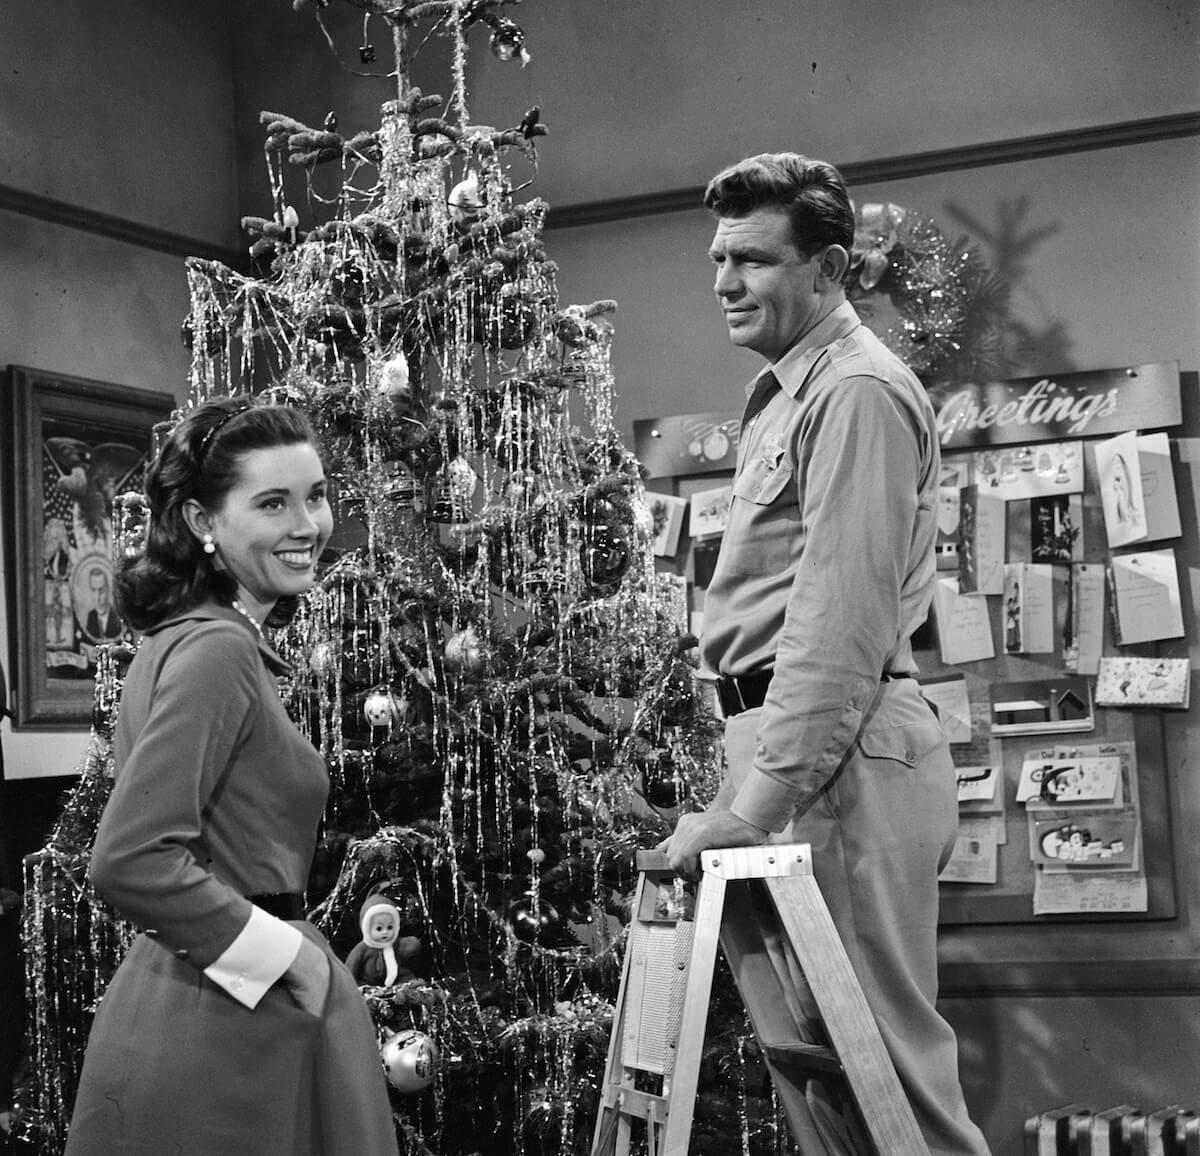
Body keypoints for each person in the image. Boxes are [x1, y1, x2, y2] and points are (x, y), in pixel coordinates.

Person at [659, 154, 990, 1155]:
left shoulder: (855, 393)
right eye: (718, 258)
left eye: (752, 260)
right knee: (824, 1081)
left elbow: (838, 629)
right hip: (784, 751)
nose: (724, 280)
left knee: (888, 1083)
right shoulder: (791, 391)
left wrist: (749, 807)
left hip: (831, 764)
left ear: (831, 267)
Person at [64, 398, 398, 1156]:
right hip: (229, 1023)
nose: (308, 524)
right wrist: (286, 959)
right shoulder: (217, 651)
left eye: (315, 496)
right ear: (202, 522)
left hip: (197, 994)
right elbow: (130, 858)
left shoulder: (188, 640)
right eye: (272, 503)